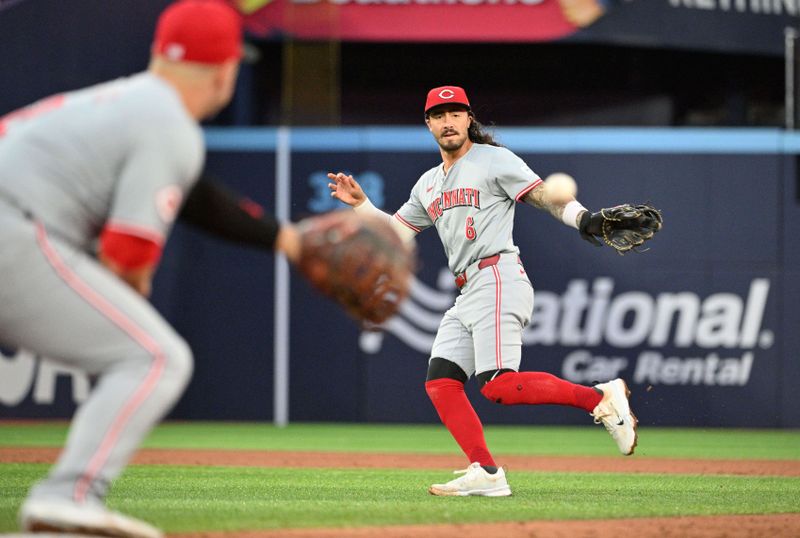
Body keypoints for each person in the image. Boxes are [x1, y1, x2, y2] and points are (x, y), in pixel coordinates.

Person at [0, 1, 299, 536]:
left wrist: (287, 240)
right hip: (11, 227)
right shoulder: (169, 124)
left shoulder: (123, 100)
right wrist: (130, 290)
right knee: (155, 356)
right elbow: (127, 254)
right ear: (225, 70)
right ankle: (68, 496)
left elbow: (194, 198)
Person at [328, 85, 637, 497]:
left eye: (455, 113)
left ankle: (599, 396)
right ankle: (487, 471)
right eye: (439, 115)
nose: (448, 121)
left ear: (469, 118)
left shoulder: (494, 160)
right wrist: (362, 206)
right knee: (441, 381)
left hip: (497, 276)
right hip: (468, 289)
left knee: (499, 387)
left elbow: (546, 196)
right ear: (429, 124)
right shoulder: (428, 184)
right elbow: (397, 235)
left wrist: (584, 220)